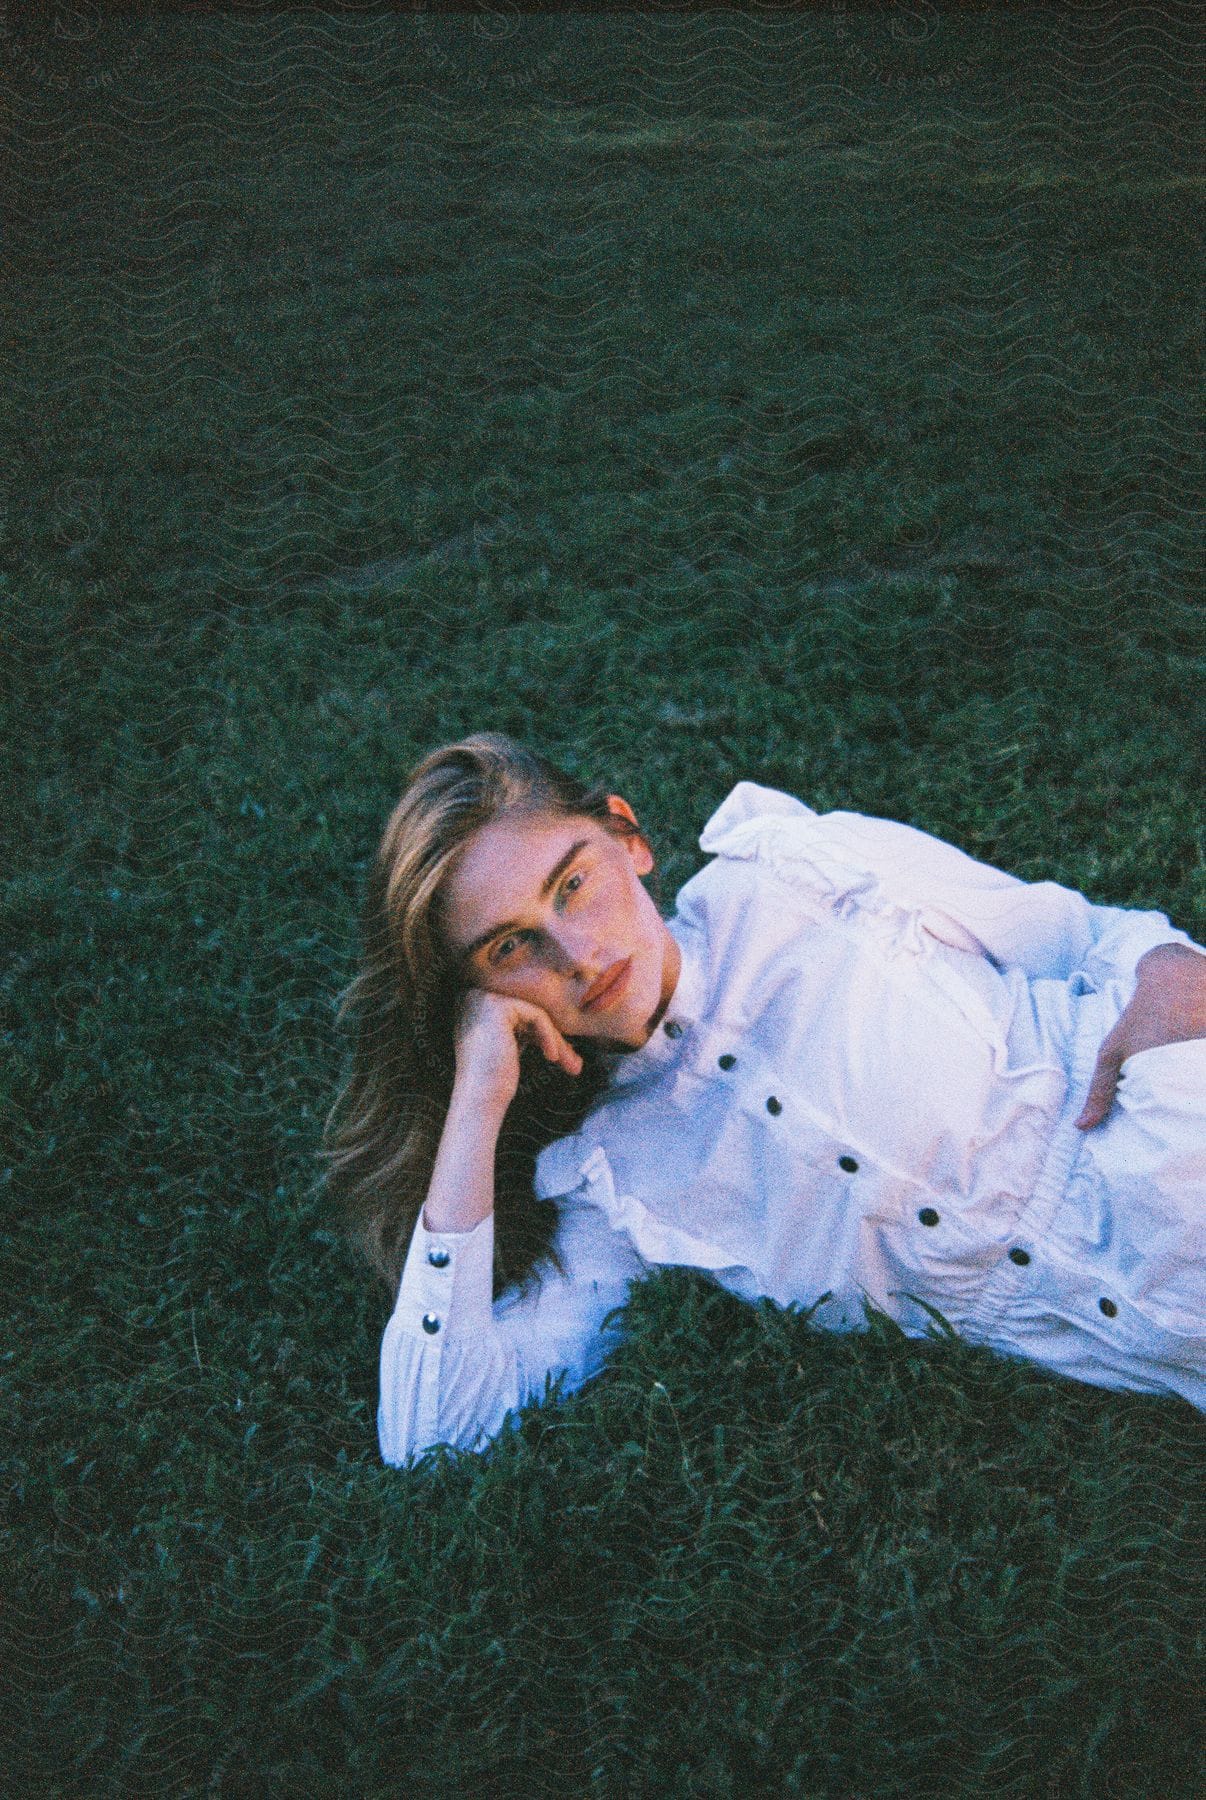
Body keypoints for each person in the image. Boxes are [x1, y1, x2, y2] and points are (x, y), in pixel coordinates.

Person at [320, 733, 1206, 1466]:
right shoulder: (614, 1188)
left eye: (574, 884)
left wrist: (1166, 966)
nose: (578, 958)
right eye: (513, 947)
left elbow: (1083, 935)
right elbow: (431, 1437)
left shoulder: (798, 874)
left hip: (1166, 1113)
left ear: (627, 838)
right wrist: (478, 1096)